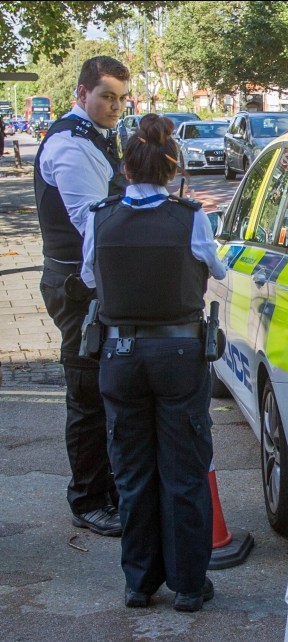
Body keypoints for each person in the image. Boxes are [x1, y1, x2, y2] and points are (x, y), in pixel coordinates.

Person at [80, 114, 227, 611]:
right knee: (184, 469)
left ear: (124, 165)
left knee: (132, 470)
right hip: (180, 354)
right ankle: (189, 584)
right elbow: (217, 267)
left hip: (119, 355)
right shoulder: (191, 217)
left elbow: (90, 279)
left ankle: (138, 583)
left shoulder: (99, 217)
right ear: (173, 167)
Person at [35, 55, 130, 537]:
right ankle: (89, 499)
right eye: (105, 97)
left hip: (89, 284)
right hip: (79, 287)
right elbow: (93, 224)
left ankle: (106, 489)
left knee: (101, 390)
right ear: (81, 93)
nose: (114, 106)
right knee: (87, 394)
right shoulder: (71, 145)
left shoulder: (93, 136)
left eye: (118, 98)